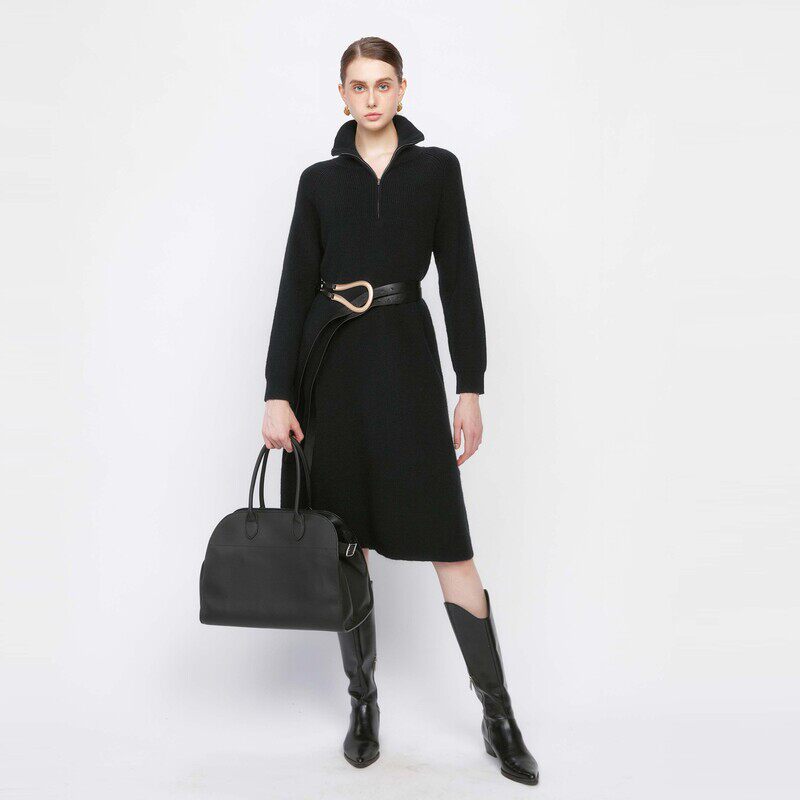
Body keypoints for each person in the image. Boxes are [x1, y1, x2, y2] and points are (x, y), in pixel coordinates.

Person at [260, 37, 539, 786]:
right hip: (331, 370)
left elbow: (461, 278)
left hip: (409, 366)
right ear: (342, 95)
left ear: (403, 89)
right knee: (346, 542)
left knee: (449, 542)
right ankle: (363, 706)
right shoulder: (319, 181)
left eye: (383, 84)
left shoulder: (437, 170)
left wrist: (470, 384)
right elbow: (294, 287)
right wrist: (277, 390)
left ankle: (499, 715)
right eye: (358, 86)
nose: (372, 98)